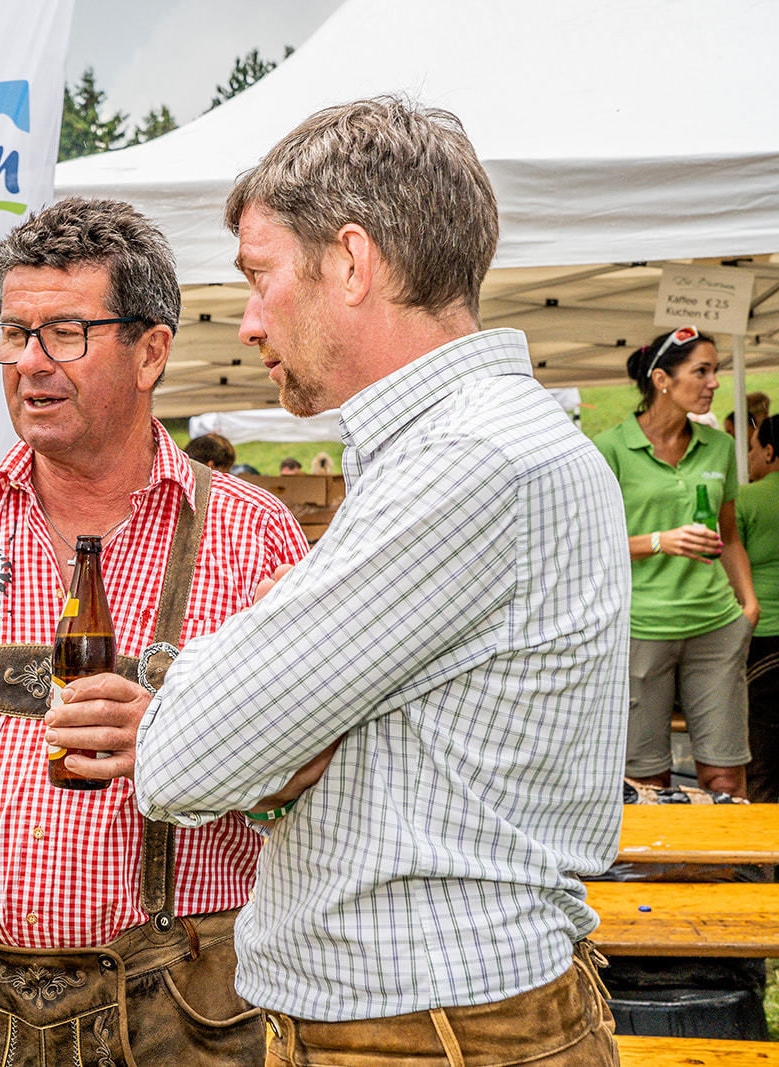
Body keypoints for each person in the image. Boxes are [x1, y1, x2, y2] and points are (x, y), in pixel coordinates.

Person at [134, 96, 630, 1065]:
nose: (245, 322)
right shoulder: (478, 446)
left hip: (428, 1036)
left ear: (351, 263)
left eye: (258, 275)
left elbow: (180, 756)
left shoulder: (468, 462)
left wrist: (216, 712)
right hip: (443, 1022)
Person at [0, 197, 306, 1066]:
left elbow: (312, 770)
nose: (29, 364)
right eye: (13, 334)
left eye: (64, 333)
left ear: (150, 351)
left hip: (180, 1007)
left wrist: (181, 738)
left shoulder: (252, 536)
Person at [594, 326, 759, 798]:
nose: (713, 383)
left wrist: (748, 606)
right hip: (641, 628)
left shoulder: (721, 448)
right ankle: (658, 872)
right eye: (701, 372)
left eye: (716, 372)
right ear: (662, 379)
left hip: (716, 627)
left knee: (725, 774)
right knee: (645, 779)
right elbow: (592, 544)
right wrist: (660, 541)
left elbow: (729, 538)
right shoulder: (609, 449)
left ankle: (733, 872)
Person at [738, 415, 779, 801]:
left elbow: (730, 567)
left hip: (763, 640)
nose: (750, 456)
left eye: (752, 448)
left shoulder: (747, 500)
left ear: (769, 452)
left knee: (763, 755)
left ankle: (762, 858)